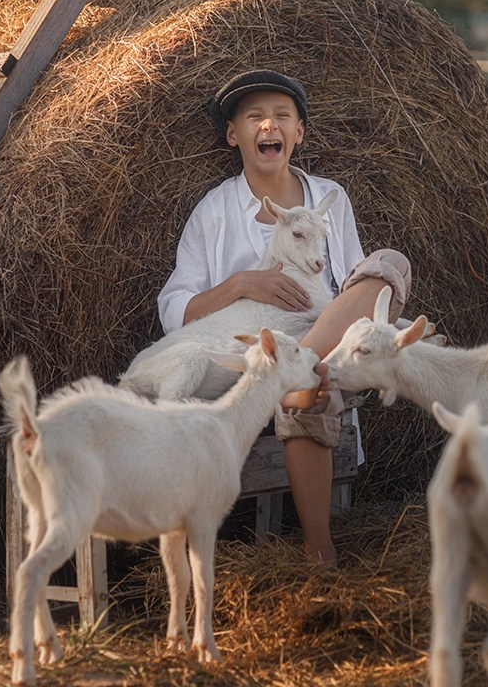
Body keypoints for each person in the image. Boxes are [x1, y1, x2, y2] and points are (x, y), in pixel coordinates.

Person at [157, 69, 411, 564]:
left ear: (299, 132)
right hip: (257, 362)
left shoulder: (331, 199)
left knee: (389, 263)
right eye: (254, 116)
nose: (268, 125)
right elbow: (174, 310)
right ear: (234, 135)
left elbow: (357, 286)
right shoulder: (214, 212)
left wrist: (320, 345)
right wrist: (241, 283)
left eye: (281, 116)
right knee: (310, 388)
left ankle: (305, 360)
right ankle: (321, 549)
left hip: (328, 344)